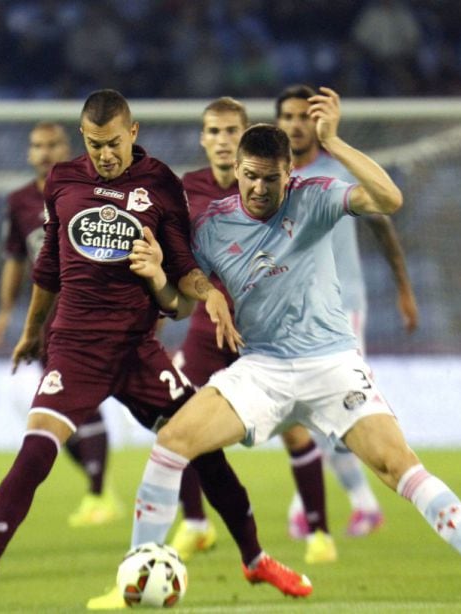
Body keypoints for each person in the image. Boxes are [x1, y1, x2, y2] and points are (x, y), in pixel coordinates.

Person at [127, 87, 461, 606]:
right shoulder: (211, 225)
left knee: (398, 465)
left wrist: (335, 142)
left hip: (331, 365)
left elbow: (389, 200)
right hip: (262, 369)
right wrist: (169, 282)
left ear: (288, 173)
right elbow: (178, 305)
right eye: (249, 176)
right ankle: (135, 577)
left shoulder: (314, 196)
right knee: (173, 441)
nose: (256, 189)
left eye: (269, 179)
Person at [0, 89, 311, 612]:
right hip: (74, 347)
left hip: (139, 350)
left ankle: (255, 560)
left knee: (203, 448)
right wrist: (31, 331)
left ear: (132, 132)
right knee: (36, 450)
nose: (105, 155)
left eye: (113, 143)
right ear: (84, 140)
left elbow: (183, 264)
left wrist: (209, 298)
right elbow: (48, 268)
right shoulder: (64, 182)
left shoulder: (160, 183)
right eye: (94, 145)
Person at [171, 97, 336, 566]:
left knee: (294, 429)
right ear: (203, 139)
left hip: (265, 326)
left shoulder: (276, 189)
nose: (222, 141)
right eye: (214, 132)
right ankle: (196, 524)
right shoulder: (186, 190)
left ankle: (319, 532)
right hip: (207, 327)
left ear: (246, 140)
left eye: (231, 132)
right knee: (180, 419)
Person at [275, 84, 419, 541]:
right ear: (277, 124)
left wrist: (403, 289)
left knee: (334, 408)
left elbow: (383, 227)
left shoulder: (339, 170)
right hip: (291, 312)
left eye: (303, 116)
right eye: (288, 117)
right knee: (300, 413)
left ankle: (339, 504)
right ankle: (346, 503)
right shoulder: (269, 178)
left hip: (343, 309)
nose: (296, 124)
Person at [0, 121, 121, 529]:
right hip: (49, 319)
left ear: (69, 148)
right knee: (56, 414)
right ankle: (101, 488)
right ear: (29, 153)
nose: (44, 152)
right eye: (37, 145)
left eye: (53, 144)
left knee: (79, 402)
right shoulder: (20, 202)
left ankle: (99, 495)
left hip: (94, 310)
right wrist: (6, 311)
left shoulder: (94, 190)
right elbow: (15, 261)